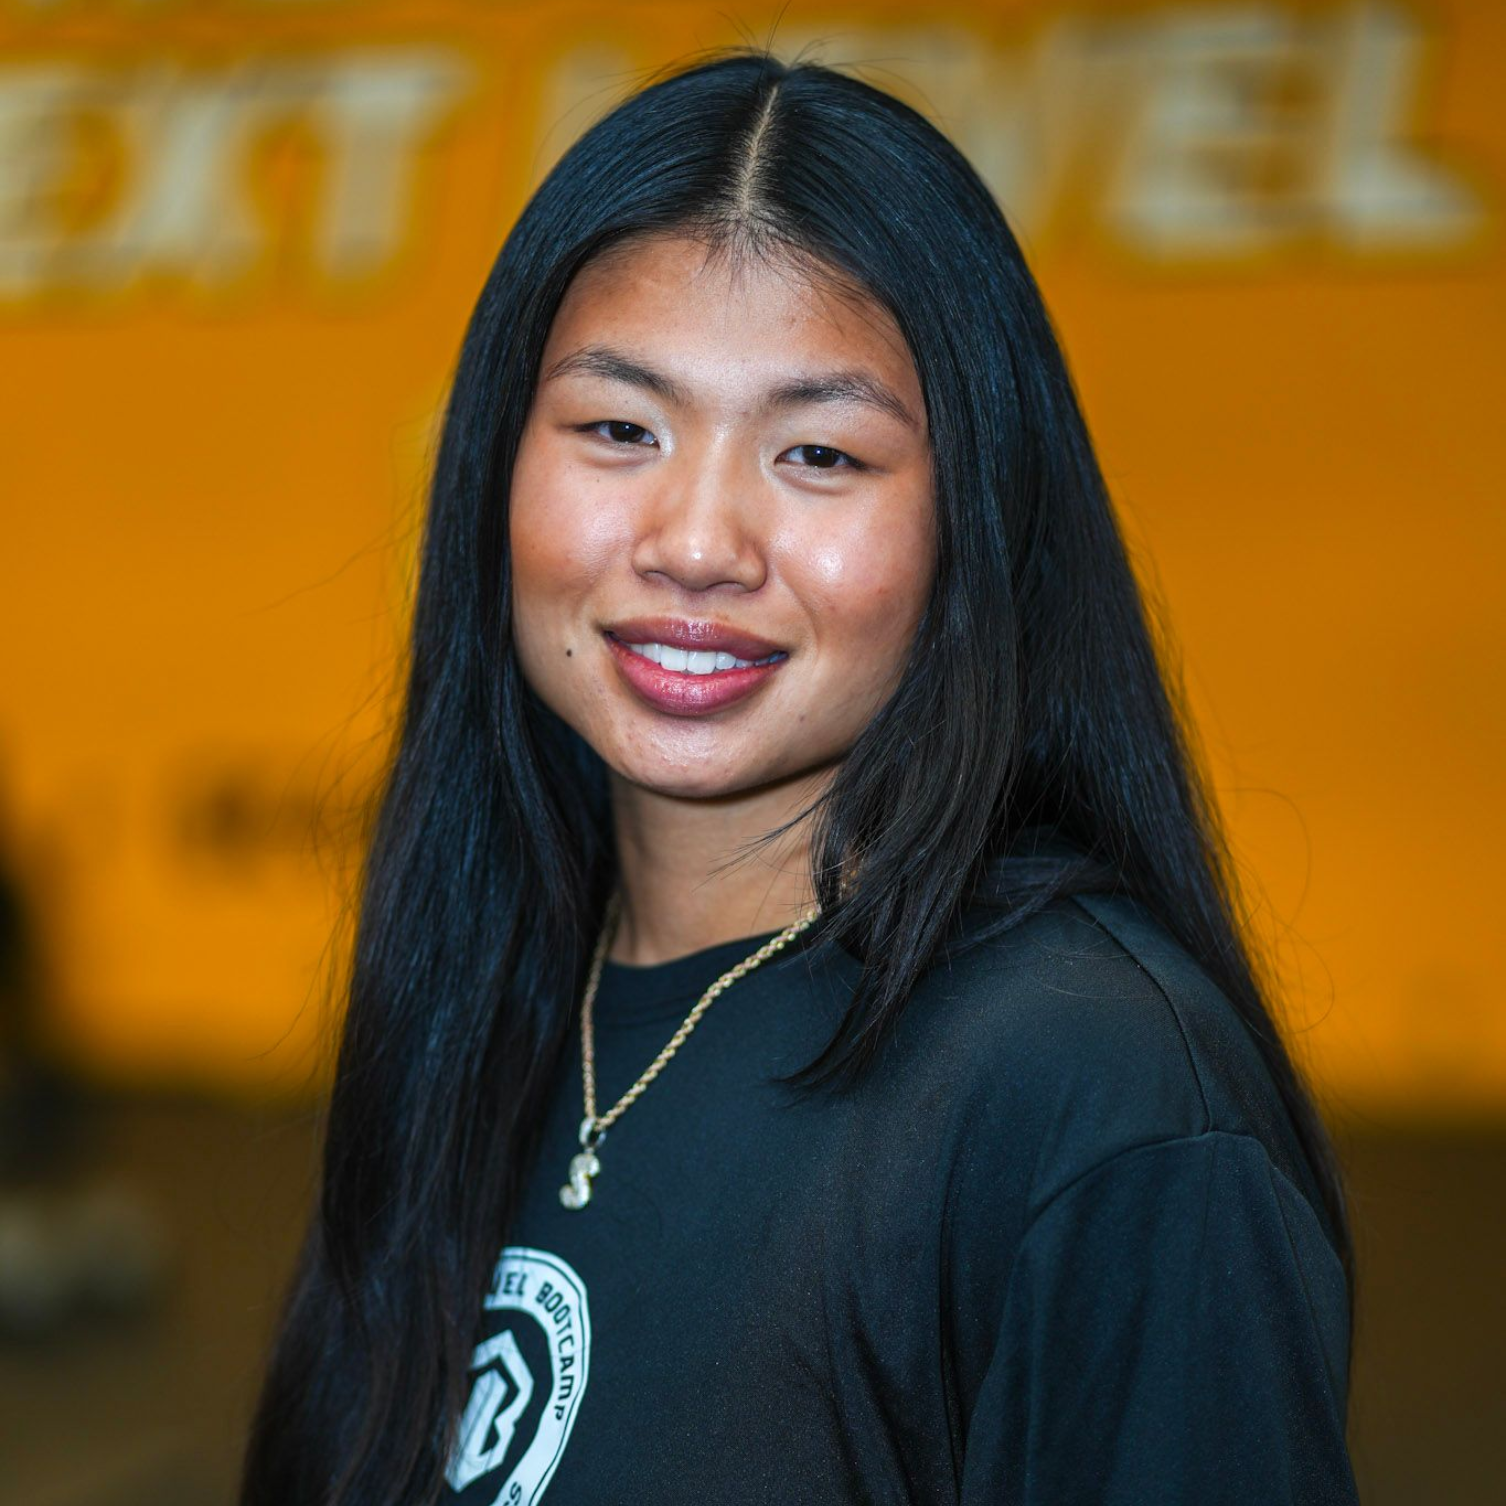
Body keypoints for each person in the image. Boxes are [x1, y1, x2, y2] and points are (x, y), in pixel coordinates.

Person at [240, 49, 1359, 1506]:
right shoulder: (489, 986)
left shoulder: (1095, 1098)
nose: (698, 543)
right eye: (619, 429)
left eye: (820, 452)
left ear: (974, 518)